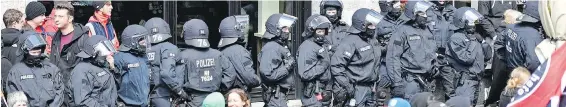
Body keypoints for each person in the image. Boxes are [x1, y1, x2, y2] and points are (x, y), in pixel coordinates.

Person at [331, 8, 383, 107]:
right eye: (371, 25)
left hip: (371, 87)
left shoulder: (372, 40)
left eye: (374, 25)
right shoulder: (350, 41)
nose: (373, 27)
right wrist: (347, 85)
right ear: (362, 25)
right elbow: (336, 66)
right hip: (356, 88)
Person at [386, 0, 436, 99]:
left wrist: (435, 66)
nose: (425, 16)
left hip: (427, 81)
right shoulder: (402, 31)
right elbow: (393, 57)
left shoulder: (428, 31)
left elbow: (432, 52)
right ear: (413, 14)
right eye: (422, 13)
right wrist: (397, 83)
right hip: (410, 81)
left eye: (426, 13)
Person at [177, 19, 231, 106]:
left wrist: (184, 95)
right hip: (215, 99)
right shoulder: (218, 54)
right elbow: (230, 75)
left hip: (193, 101)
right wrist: (220, 89)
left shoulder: (182, 56)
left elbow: (177, 81)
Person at [6, 31, 64, 107]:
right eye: (33, 51)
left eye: (38, 50)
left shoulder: (51, 69)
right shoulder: (16, 71)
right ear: (25, 50)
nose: (36, 52)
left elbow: (59, 93)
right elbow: (15, 99)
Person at [447, 7, 485, 105]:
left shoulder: (474, 36)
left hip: (476, 80)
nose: (473, 24)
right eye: (470, 21)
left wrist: (483, 42)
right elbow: (467, 59)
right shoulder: (456, 38)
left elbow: (487, 56)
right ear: (463, 22)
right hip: (465, 82)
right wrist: (473, 41)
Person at [49, 2, 91, 89]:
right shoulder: (55, 38)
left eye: (60, 17)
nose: (56, 19)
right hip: (58, 88)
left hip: (76, 89)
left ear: (70, 18)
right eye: (55, 16)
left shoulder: (83, 38)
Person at [259, 13, 297, 107]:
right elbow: (268, 74)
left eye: (288, 28)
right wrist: (287, 67)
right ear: (276, 29)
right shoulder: (271, 48)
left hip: (279, 95)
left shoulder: (279, 46)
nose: (288, 31)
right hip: (275, 96)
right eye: (285, 28)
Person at [68, 35, 118, 106]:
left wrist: (112, 68)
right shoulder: (81, 70)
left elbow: (113, 88)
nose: (107, 54)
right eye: (103, 52)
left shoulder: (104, 66)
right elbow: (82, 101)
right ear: (93, 53)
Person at [218, 15, 261, 93]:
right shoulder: (240, 51)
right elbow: (250, 79)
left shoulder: (220, 51)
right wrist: (259, 81)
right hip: (239, 96)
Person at [143, 17, 180, 107]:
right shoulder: (169, 47)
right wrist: (180, 91)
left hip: (145, 97)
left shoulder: (143, 50)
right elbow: (167, 74)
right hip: (164, 97)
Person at [298, 14, 333, 107]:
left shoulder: (320, 45)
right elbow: (304, 74)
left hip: (322, 92)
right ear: (312, 31)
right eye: (319, 31)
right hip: (313, 94)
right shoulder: (307, 47)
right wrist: (323, 66)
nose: (322, 34)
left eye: (324, 31)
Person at [113, 25, 150, 106]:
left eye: (145, 39)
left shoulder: (143, 56)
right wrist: (117, 103)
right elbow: (112, 85)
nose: (145, 42)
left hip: (144, 103)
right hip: (128, 104)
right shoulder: (119, 58)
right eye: (141, 39)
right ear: (132, 41)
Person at [504, 1, 544, 72]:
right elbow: (533, 63)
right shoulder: (533, 36)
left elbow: (499, 45)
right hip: (525, 77)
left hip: (512, 72)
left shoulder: (511, 27)